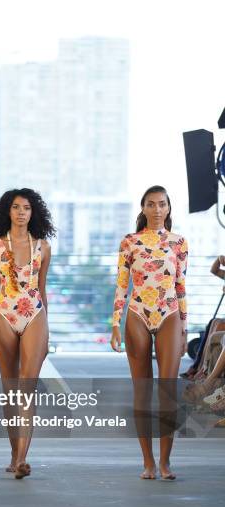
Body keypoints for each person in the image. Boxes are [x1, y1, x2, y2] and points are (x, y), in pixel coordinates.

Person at [110, 185, 188, 480]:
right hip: (137, 314)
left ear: (169, 208)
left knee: (167, 390)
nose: (157, 209)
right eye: (152, 204)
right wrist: (115, 322)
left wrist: (184, 325)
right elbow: (121, 284)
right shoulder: (129, 242)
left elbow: (180, 286)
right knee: (142, 391)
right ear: (143, 208)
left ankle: (166, 462)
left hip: (169, 314)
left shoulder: (179, 242)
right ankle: (148, 462)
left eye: (162, 204)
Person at [0, 188, 55, 479]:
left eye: (26, 208)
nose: (21, 212)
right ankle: (14, 453)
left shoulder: (43, 247)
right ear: (7, 212)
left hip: (35, 314)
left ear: (33, 213)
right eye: (16, 207)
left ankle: (23, 458)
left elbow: (43, 289)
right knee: (10, 391)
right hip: (3, 316)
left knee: (27, 388)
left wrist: (47, 329)